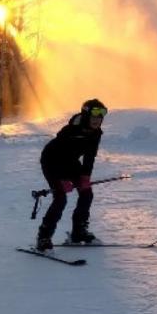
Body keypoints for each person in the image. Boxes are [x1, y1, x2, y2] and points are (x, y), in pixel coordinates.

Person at [35, 99, 108, 250]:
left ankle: (79, 232)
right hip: (52, 162)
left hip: (71, 162)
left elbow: (89, 157)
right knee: (61, 198)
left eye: (101, 116)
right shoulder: (70, 131)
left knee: (86, 193)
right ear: (86, 115)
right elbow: (58, 155)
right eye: (94, 116)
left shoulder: (96, 133)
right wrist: (62, 180)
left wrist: (85, 178)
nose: (97, 120)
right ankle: (44, 237)